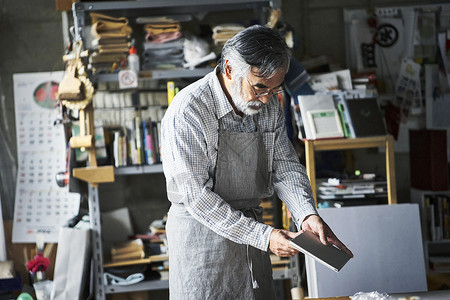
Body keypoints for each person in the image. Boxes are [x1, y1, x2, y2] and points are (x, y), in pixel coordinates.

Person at [160, 24, 353, 299]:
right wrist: (264, 237)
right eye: (260, 87)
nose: (266, 99)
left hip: (253, 237)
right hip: (201, 240)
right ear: (229, 69)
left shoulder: (269, 103)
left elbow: (285, 166)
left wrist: (306, 214)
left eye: (274, 90)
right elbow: (197, 197)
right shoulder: (188, 110)